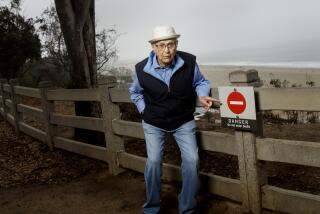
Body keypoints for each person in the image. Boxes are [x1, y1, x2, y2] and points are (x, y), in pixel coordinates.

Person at [129, 25, 219, 214]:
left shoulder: (189, 62)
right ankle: (152, 207)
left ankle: (187, 208)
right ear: (153, 47)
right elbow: (135, 93)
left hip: (183, 120)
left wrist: (202, 95)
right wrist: (144, 111)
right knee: (153, 162)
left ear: (176, 44)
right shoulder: (140, 69)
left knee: (192, 160)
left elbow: (201, 82)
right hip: (154, 122)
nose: (166, 50)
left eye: (170, 44)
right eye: (161, 45)